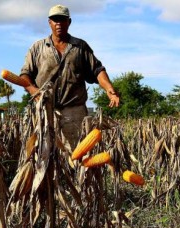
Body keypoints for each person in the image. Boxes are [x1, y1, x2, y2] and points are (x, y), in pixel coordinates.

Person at [20, 4, 120, 147]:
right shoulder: (37, 48)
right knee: (44, 155)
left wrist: (109, 88)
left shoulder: (80, 47)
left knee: (76, 157)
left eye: (62, 19)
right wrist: (33, 91)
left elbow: (97, 70)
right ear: (50, 23)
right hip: (45, 110)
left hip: (74, 112)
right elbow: (25, 75)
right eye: (55, 20)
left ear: (69, 22)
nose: (58, 23)